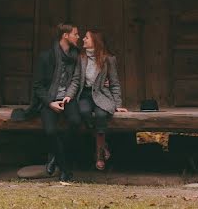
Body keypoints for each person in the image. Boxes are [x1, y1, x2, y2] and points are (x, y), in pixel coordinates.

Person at [15, 23, 83, 182]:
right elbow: (38, 86)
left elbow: (76, 79)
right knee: (50, 131)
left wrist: (68, 96)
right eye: (75, 34)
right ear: (65, 36)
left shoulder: (76, 56)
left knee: (75, 121)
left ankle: (55, 157)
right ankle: (65, 168)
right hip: (49, 99)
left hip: (67, 98)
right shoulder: (46, 56)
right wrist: (50, 103)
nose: (78, 37)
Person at [66, 28, 128, 171]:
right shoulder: (81, 58)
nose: (83, 39)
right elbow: (76, 80)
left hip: (102, 94)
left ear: (95, 41)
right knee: (84, 112)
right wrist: (69, 95)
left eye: (86, 37)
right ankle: (103, 144)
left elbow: (115, 83)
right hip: (85, 94)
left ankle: (99, 154)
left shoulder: (108, 59)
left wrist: (118, 104)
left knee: (101, 115)